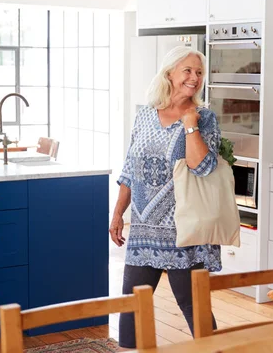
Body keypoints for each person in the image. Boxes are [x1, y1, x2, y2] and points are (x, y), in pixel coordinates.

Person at [109, 46, 220, 348]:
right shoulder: (144, 115)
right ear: (169, 73)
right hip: (144, 231)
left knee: (194, 309)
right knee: (131, 308)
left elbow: (204, 167)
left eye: (199, 72)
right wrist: (119, 213)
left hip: (184, 230)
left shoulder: (204, 118)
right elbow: (131, 167)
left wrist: (190, 124)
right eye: (188, 70)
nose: (194, 77)